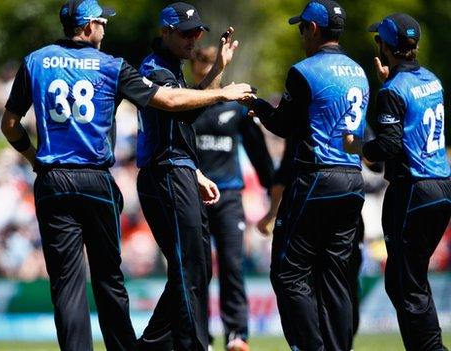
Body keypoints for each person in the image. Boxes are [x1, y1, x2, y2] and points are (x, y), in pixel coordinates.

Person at [0, 1, 253, 350]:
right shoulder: (112, 66)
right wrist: (222, 90)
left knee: (67, 282)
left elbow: (9, 124)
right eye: (102, 22)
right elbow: (165, 101)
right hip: (96, 179)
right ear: (88, 26)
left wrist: (34, 158)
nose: (106, 29)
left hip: (52, 179)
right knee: (109, 278)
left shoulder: (35, 61)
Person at [243, 1, 370, 349]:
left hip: (317, 179)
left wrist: (254, 104)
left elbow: (283, 125)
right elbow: (355, 140)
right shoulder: (359, 71)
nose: (301, 36)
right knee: (335, 276)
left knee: (287, 271)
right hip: (351, 179)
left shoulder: (304, 70)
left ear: (312, 29)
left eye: (302, 28)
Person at [134, 3, 241, 350]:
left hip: (179, 172)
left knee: (195, 268)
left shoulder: (174, 68)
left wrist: (217, 72)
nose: (194, 39)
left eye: (197, 32)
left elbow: (185, 114)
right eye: (186, 33)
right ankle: (188, 344)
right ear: (165, 32)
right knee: (189, 267)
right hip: (164, 174)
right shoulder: (153, 67)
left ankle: (153, 344)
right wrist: (222, 91)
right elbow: (172, 103)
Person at [344, 13, 451, 351]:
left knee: (406, 283)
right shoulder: (432, 80)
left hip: (413, 190)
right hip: (441, 186)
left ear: (385, 46)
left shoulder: (392, 91)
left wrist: (359, 147)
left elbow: (386, 147)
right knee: (406, 279)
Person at [191, 46, 275, 351]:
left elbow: (259, 154)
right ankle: (200, 338)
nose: (204, 65)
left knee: (231, 266)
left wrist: (274, 189)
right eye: (200, 59)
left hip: (228, 197)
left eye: (211, 60)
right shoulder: (187, 104)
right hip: (193, 197)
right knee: (197, 269)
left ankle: (237, 335)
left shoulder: (237, 109)